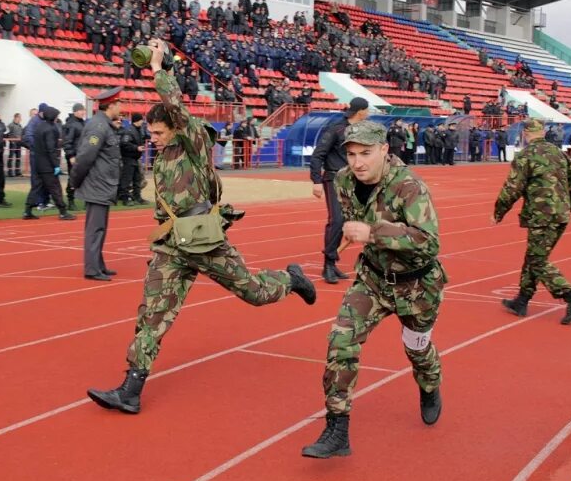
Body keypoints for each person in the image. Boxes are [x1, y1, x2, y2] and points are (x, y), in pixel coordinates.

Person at [85, 39, 317, 414]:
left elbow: (175, 105)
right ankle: (131, 389)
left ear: (176, 129)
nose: (153, 139)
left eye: (159, 133)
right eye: (151, 134)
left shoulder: (192, 143)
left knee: (254, 293)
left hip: (205, 241)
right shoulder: (164, 155)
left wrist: (158, 68)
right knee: (152, 314)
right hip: (172, 246)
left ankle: (291, 280)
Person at [301, 121, 445, 459]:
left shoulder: (409, 187)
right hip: (372, 279)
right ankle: (337, 429)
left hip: (416, 285)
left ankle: (429, 384)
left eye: (366, 153)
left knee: (417, 349)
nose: (357, 162)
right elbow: (355, 216)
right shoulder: (343, 180)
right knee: (341, 340)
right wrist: (355, 233)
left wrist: (373, 232)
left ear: (384, 150)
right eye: (351, 155)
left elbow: (428, 242)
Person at [493, 119, 571, 324]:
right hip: (560, 214)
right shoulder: (559, 153)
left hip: (541, 215)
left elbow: (512, 188)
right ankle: (522, 300)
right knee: (534, 257)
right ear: (543, 133)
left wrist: (498, 212)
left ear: (526, 134)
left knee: (537, 260)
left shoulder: (525, 155)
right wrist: (567, 205)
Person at [309, 97, 370, 284]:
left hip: (356, 180)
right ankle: (328, 264)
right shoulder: (336, 129)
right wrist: (316, 181)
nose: (368, 113)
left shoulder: (362, 131)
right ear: (360, 111)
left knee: (354, 221)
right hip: (335, 179)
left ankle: (333, 262)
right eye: (367, 110)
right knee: (336, 220)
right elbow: (318, 155)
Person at [23, 106, 76, 221]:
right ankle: (63, 211)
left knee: (36, 187)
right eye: (56, 116)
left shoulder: (40, 126)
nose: (57, 118)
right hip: (47, 164)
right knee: (55, 188)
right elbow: (50, 149)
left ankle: (27, 210)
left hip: (38, 162)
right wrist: (56, 165)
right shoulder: (50, 129)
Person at [61, 103, 86, 211]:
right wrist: (71, 155)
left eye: (83, 110)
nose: (83, 112)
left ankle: (86, 200)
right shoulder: (71, 124)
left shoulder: (83, 123)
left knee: (85, 178)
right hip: (74, 156)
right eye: (81, 110)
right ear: (75, 111)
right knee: (73, 177)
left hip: (83, 155)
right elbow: (67, 141)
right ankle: (70, 200)